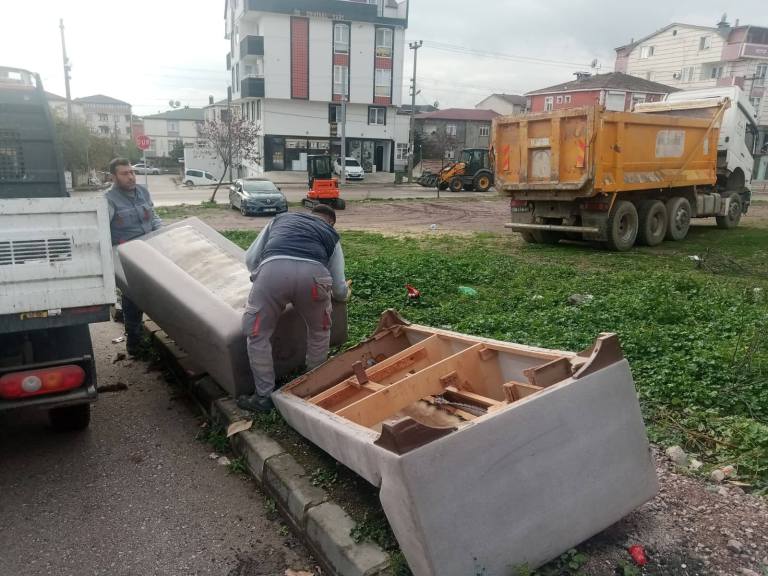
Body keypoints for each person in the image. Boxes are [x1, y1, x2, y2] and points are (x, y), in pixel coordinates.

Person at [237, 205, 350, 412]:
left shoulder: (281, 220)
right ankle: (313, 390)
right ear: (331, 222)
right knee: (319, 332)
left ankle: (263, 397)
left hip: (273, 272)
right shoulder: (330, 234)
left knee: (257, 334)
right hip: (314, 279)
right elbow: (338, 286)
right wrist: (343, 295)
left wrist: (264, 280)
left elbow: (251, 258)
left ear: (310, 215)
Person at [105, 157, 163, 356]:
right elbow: (103, 231)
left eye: (132, 172)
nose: (130, 177)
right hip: (126, 256)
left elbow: (153, 216)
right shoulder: (108, 200)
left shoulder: (143, 192)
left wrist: (162, 233)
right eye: (124, 173)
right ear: (113, 177)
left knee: (155, 290)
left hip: (149, 249)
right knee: (132, 298)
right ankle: (135, 343)